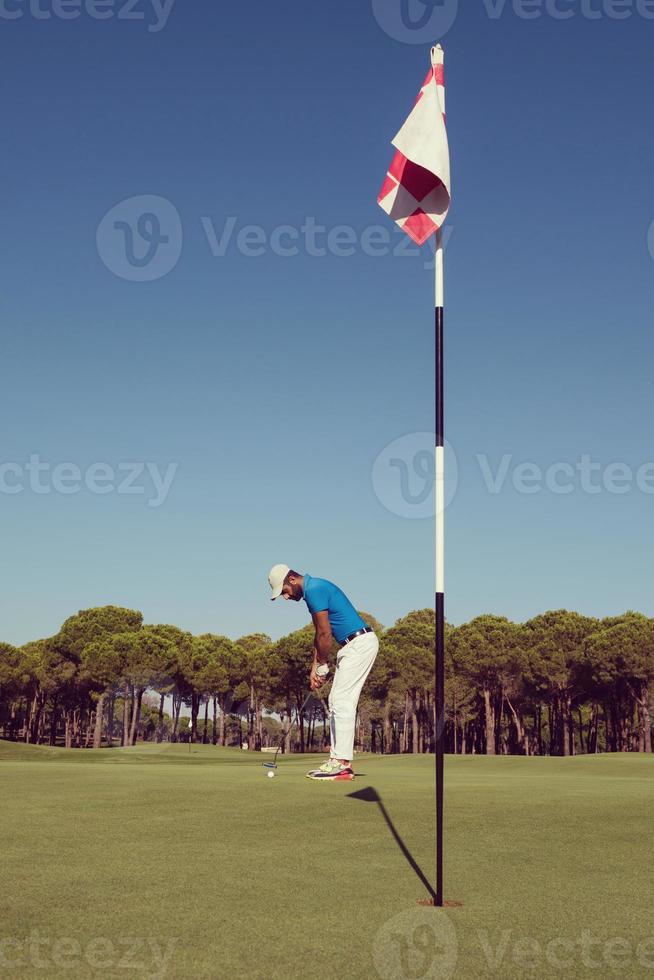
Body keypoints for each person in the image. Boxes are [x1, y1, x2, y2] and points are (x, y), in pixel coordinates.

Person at [268, 564, 378, 781]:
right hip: (352, 645)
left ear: (292, 579)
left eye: (284, 591)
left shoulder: (314, 590)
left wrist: (323, 665)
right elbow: (319, 635)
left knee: (341, 700)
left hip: (359, 644)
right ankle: (337, 761)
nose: (285, 597)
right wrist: (314, 667)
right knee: (338, 700)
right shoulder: (314, 589)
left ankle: (342, 764)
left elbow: (325, 634)